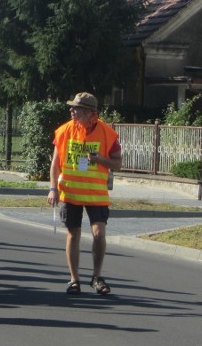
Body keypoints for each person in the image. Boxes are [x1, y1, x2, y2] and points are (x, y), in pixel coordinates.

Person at [47, 92, 121, 295]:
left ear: (91, 113)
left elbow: (118, 163)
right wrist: (53, 188)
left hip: (96, 195)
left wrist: (101, 160)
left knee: (99, 234)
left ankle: (97, 277)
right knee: (73, 235)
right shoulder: (63, 131)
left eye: (76, 108)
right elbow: (55, 164)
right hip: (70, 194)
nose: (72, 110)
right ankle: (74, 279)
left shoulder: (107, 133)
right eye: (71, 107)